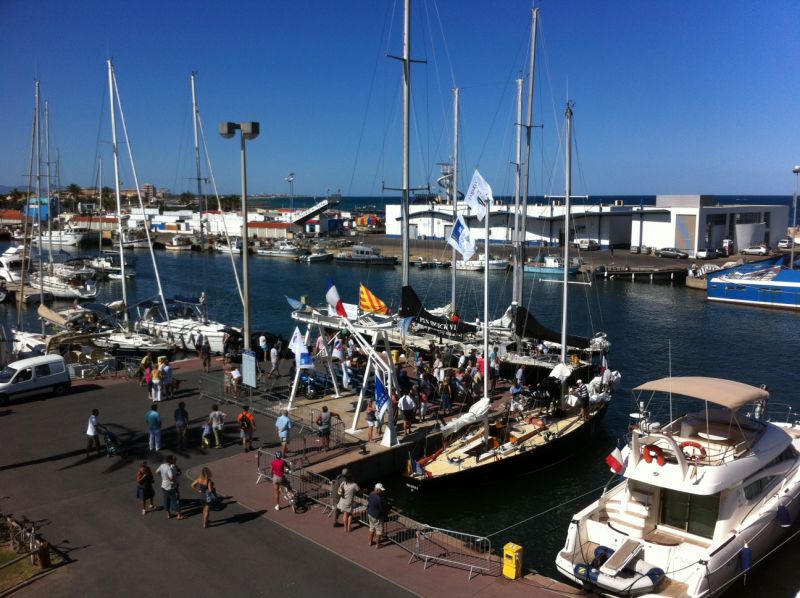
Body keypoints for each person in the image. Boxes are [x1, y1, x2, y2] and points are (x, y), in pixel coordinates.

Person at [156, 455, 185, 520]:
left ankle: (168, 514)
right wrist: (174, 483)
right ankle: (179, 515)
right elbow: (171, 477)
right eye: (172, 459)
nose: (173, 460)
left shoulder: (162, 465)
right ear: (170, 460)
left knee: (166, 500)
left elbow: (157, 472)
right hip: (171, 487)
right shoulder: (168, 468)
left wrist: (163, 478)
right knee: (176, 500)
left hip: (163, 486)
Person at [367, 483, 387, 548]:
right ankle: (377, 545)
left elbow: (369, 501)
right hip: (377, 517)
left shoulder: (371, 493)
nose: (382, 491)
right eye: (381, 490)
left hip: (370, 514)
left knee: (371, 528)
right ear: (377, 490)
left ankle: (370, 542)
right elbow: (382, 509)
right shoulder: (379, 499)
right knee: (379, 531)